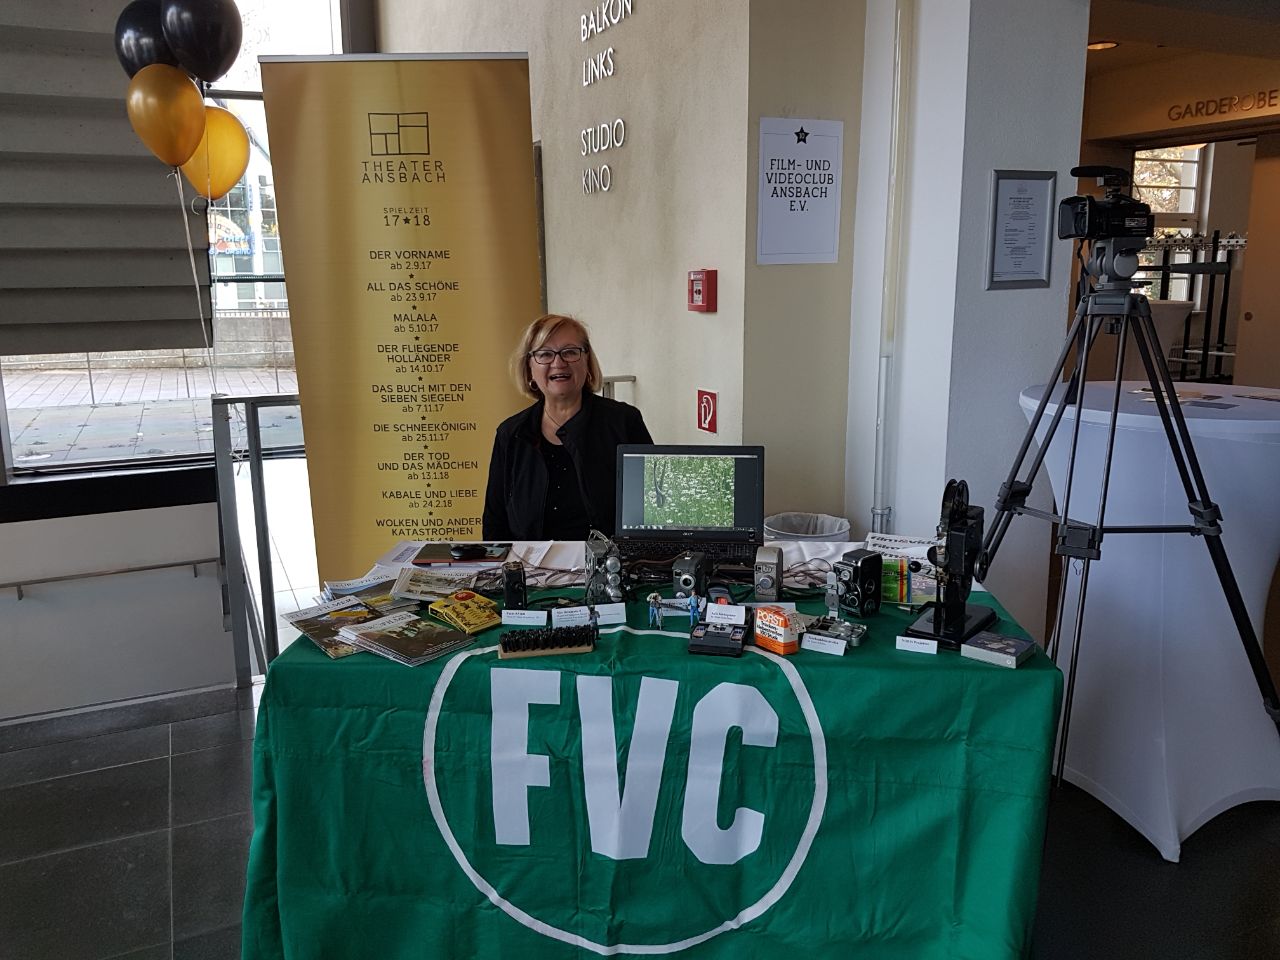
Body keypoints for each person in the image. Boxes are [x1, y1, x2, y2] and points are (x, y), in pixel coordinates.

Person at [483, 314, 652, 540]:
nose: (558, 363)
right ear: (529, 367)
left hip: (608, 559)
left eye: (570, 352)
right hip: (531, 561)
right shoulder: (511, 433)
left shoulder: (623, 421)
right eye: (545, 354)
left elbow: (651, 510)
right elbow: (495, 523)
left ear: (587, 360)